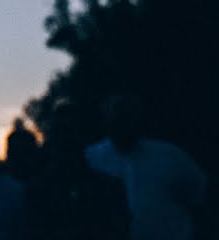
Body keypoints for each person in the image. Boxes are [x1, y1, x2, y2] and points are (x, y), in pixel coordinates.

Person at [86, 95, 207, 240]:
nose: (123, 125)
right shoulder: (92, 157)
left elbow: (202, 196)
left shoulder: (170, 156)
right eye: (117, 119)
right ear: (106, 122)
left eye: (128, 118)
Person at [26, 101, 129, 240]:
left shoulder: (109, 189)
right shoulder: (36, 191)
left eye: (70, 132)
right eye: (60, 132)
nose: (66, 140)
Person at [5, 118, 40, 184]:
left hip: (25, 167)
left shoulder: (12, 137)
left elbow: (9, 153)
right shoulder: (28, 135)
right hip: (22, 167)